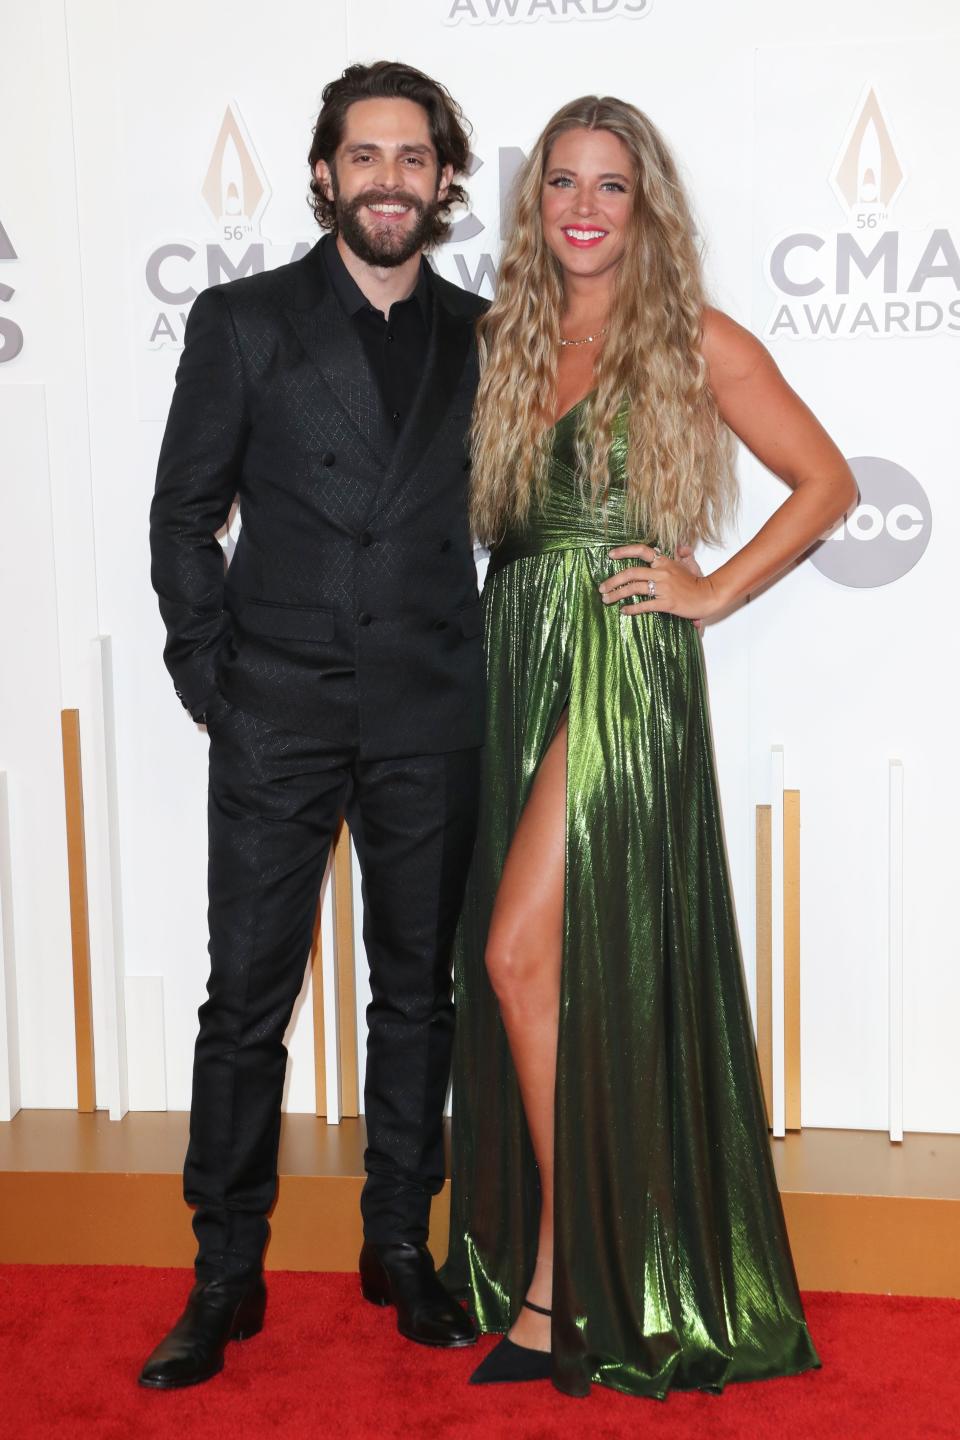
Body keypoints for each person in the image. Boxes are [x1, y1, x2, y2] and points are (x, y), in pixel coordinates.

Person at [440, 95, 856, 1399]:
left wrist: (716, 590)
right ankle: (570, 1258)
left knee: (515, 953)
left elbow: (829, 483)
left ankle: (570, 1275)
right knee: (545, 968)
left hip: (619, 670)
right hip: (520, 649)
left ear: (646, 206)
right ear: (534, 203)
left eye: (611, 186)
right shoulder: (504, 340)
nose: (582, 205)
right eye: (562, 181)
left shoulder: (692, 338)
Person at [142, 61, 486, 1389]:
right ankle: (225, 1269)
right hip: (277, 711)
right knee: (246, 1005)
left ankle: (398, 1241)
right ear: (327, 173)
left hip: (428, 712)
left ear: (443, 180)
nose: (388, 180)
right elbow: (185, 517)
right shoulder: (245, 322)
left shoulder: (486, 332)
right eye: (365, 156)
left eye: (413, 158)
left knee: (418, 995)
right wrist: (211, 684)